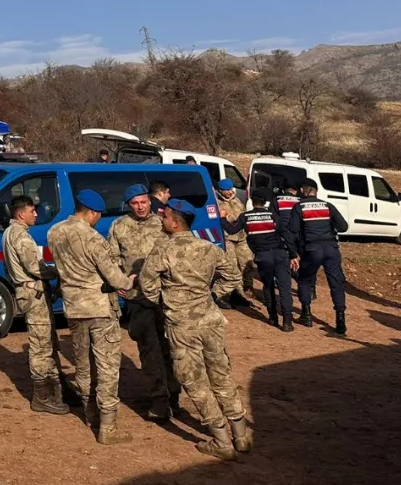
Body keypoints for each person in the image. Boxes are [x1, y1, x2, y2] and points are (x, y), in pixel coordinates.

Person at [139, 198, 252, 461]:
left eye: (165, 216)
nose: (162, 220)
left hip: (182, 325)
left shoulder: (163, 250)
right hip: (210, 320)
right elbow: (233, 277)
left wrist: (164, 301)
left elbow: (147, 285)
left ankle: (221, 440)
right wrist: (212, 295)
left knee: (193, 380)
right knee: (221, 374)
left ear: (175, 222)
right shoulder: (209, 247)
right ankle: (242, 435)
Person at [48, 189, 136, 445]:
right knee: (107, 366)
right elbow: (113, 277)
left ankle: (89, 413)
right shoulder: (94, 239)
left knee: (83, 364)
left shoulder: (54, 232)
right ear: (93, 213)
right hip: (99, 308)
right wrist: (128, 281)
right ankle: (108, 427)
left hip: (73, 308)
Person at [107, 183, 179, 422]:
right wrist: (121, 280)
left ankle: (174, 394)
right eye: (135, 204)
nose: (140, 207)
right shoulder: (119, 226)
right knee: (149, 351)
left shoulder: (162, 223)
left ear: (150, 201)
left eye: (143, 202)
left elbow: (178, 252)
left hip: (164, 296)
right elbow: (113, 258)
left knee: (171, 347)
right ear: (129, 205)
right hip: (138, 298)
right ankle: (159, 400)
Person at [2, 195, 67, 415]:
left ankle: (56, 390)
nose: (36, 214)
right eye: (32, 210)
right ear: (21, 214)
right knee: (41, 346)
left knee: (47, 341)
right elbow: (35, 268)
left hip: (28, 292)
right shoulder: (21, 237)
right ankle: (42, 396)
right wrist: (60, 272)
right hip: (33, 294)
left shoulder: (9, 233)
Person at [221, 189, 298, 331]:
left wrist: (222, 218)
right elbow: (286, 235)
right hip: (280, 255)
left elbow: (232, 230)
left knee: (268, 287)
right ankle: (287, 322)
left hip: (263, 257)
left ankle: (273, 318)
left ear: (252, 201)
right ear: (265, 202)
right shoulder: (273, 216)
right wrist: (293, 255)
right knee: (285, 288)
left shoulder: (245, 216)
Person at [288, 178, 350, 335]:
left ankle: (306, 315)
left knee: (304, 279)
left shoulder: (299, 207)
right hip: (331, 249)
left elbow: (293, 229)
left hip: (312, 249)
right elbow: (343, 226)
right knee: (336, 283)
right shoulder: (328, 205)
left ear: (302, 190)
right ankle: (340, 321)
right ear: (316, 191)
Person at [215, 178, 257, 305]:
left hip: (241, 237)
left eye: (230, 189)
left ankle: (248, 287)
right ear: (220, 191)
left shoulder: (237, 200)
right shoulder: (216, 202)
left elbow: (243, 216)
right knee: (233, 266)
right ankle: (238, 294)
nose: (229, 192)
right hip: (227, 238)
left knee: (247, 262)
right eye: (226, 190)